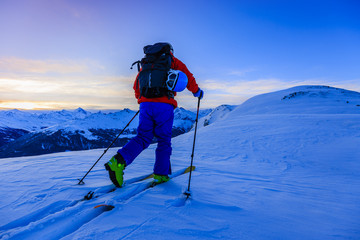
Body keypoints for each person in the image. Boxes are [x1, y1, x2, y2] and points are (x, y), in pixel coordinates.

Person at [105, 42, 204, 187]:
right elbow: (188, 77)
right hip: (164, 105)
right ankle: (161, 174)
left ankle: (118, 161)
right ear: (170, 50)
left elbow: (136, 86)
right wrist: (197, 92)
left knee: (143, 137)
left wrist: (144, 100)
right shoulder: (171, 60)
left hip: (145, 105)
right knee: (164, 140)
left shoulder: (147, 63)